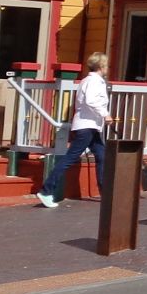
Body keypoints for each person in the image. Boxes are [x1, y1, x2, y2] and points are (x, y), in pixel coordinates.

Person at [37, 52, 111, 207]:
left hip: (90, 126)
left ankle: (106, 192)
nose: (107, 68)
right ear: (101, 66)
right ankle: (46, 190)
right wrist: (105, 115)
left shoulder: (87, 81)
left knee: (102, 156)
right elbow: (91, 100)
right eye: (106, 65)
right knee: (70, 158)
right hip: (87, 126)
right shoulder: (94, 82)